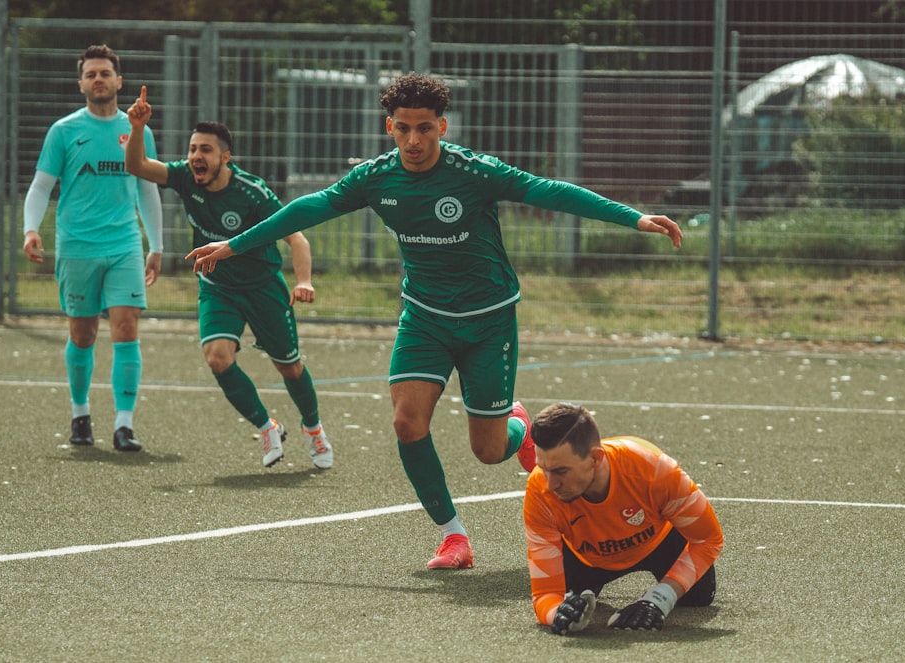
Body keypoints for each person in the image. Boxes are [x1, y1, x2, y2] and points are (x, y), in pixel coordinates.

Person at [185, 72, 683, 568]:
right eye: (404, 128)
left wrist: (633, 217)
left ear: (442, 127)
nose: (414, 139)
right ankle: (453, 537)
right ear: (390, 128)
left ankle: (519, 426)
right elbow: (310, 209)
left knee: (489, 451)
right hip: (424, 317)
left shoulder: (474, 171)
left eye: (425, 128)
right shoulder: (376, 178)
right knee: (406, 421)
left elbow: (550, 191)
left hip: (488, 320)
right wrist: (233, 245)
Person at [124, 88, 333, 469]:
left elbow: (296, 237)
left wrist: (304, 281)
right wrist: (137, 127)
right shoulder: (186, 178)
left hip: (263, 288)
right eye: (192, 149)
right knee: (218, 358)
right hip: (218, 288)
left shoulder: (252, 192)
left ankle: (314, 429)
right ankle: (267, 426)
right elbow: (137, 166)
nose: (195, 157)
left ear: (225, 157)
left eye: (205, 150)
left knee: (289, 366)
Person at [23, 44, 163, 453]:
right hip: (77, 246)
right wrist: (31, 229)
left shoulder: (139, 131)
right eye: (91, 74)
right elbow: (41, 187)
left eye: (106, 73)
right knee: (83, 334)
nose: (99, 79)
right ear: (81, 83)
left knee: (126, 327)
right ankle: (80, 414)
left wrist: (156, 245)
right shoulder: (64, 131)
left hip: (123, 245)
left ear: (119, 81)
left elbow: (148, 190)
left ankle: (124, 425)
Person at [523, 402, 723, 635]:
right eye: (543, 469)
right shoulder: (540, 490)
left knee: (697, 596)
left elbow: (708, 539)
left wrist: (660, 599)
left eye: (560, 471)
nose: (550, 483)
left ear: (596, 458)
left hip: (659, 544)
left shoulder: (654, 469)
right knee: (570, 609)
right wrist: (557, 613)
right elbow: (545, 595)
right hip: (586, 558)